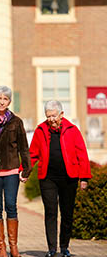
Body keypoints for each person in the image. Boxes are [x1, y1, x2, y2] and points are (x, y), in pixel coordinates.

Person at [29, 100, 92, 257]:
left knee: (67, 213)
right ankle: (52, 249)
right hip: (48, 178)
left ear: (61, 114)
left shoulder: (72, 130)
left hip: (69, 178)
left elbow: (82, 154)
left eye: (54, 116)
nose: (51, 119)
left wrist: (84, 177)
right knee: (50, 212)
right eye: (48, 116)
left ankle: (64, 247)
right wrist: (25, 171)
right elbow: (32, 154)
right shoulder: (40, 130)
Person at [0, 86, 31, 257]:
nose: (2, 101)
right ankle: (1, 248)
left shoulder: (17, 122)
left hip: (11, 170)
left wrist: (26, 170)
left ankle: (13, 246)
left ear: (9, 101)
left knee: (11, 205)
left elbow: (24, 148)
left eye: (5, 99)